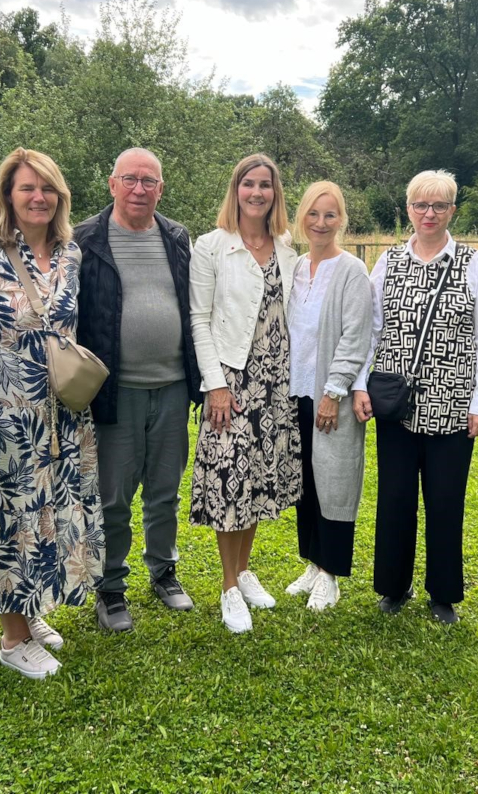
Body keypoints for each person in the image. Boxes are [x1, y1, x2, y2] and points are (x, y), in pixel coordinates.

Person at [0, 148, 103, 678]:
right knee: (11, 514)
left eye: (47, 188)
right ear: (7, 196)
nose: (38, 197)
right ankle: (12, 639)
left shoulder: (70, 254)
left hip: (62, 413)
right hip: (8, 411)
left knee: (51, 511)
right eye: (26, 188)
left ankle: (32, 608)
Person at [352, 170, 478, 624]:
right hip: (396, 403)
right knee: (395, 498)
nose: (429, 214)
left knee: (445, 500)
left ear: (453, 210)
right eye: (421, 205)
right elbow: (368, 330)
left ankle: (443, 593)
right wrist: (359, 383)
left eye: (439, 206)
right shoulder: (388, 262)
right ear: (409, 208)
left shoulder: (472, 263)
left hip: (453, 404)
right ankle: (394, 587)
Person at [74, 148, 202, 633]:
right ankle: (110, 586)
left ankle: (164, 572)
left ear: (161, 189)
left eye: (149, 181)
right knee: (113, 495)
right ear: (112, 184)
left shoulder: (176, 237)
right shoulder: (85, 239)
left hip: (171, 386)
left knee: (165, 490)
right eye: (130, 179)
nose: (139, 189)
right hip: (116, 391)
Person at [189, 153, 302, 633]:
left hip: (277, 382)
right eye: (248, 184)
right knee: (228, 479)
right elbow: (199, 318)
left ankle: (246, 569)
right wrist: (215, 384)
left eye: (266, 186)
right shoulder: (212, 247)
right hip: (232, 382)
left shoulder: (287, 247)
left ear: (276, 193)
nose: (257, 193)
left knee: (257, 479)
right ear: (235, 190)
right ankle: (228, 587)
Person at [284, 181, 373, 611]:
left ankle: (331, 573)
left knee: (335, 481)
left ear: (342, 220)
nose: (321, 223)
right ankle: (312, 563)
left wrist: (334, 391)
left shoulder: (351, 271)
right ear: (302, 217)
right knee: (305, 482)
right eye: (314, 214)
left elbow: (357, 337)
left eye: (331, 215)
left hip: (329, 396)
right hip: (295, 391)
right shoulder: (297, 267)